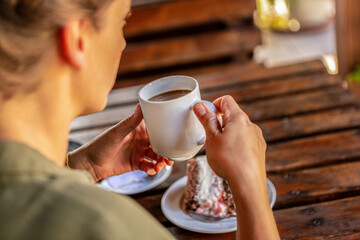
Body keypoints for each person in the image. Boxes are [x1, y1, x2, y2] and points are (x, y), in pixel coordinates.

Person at [0, 0, 280, 239]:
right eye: (122, 23)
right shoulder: (108, 226)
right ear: (77, 40)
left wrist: (84, 167)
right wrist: (249, 180)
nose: (121, 42)